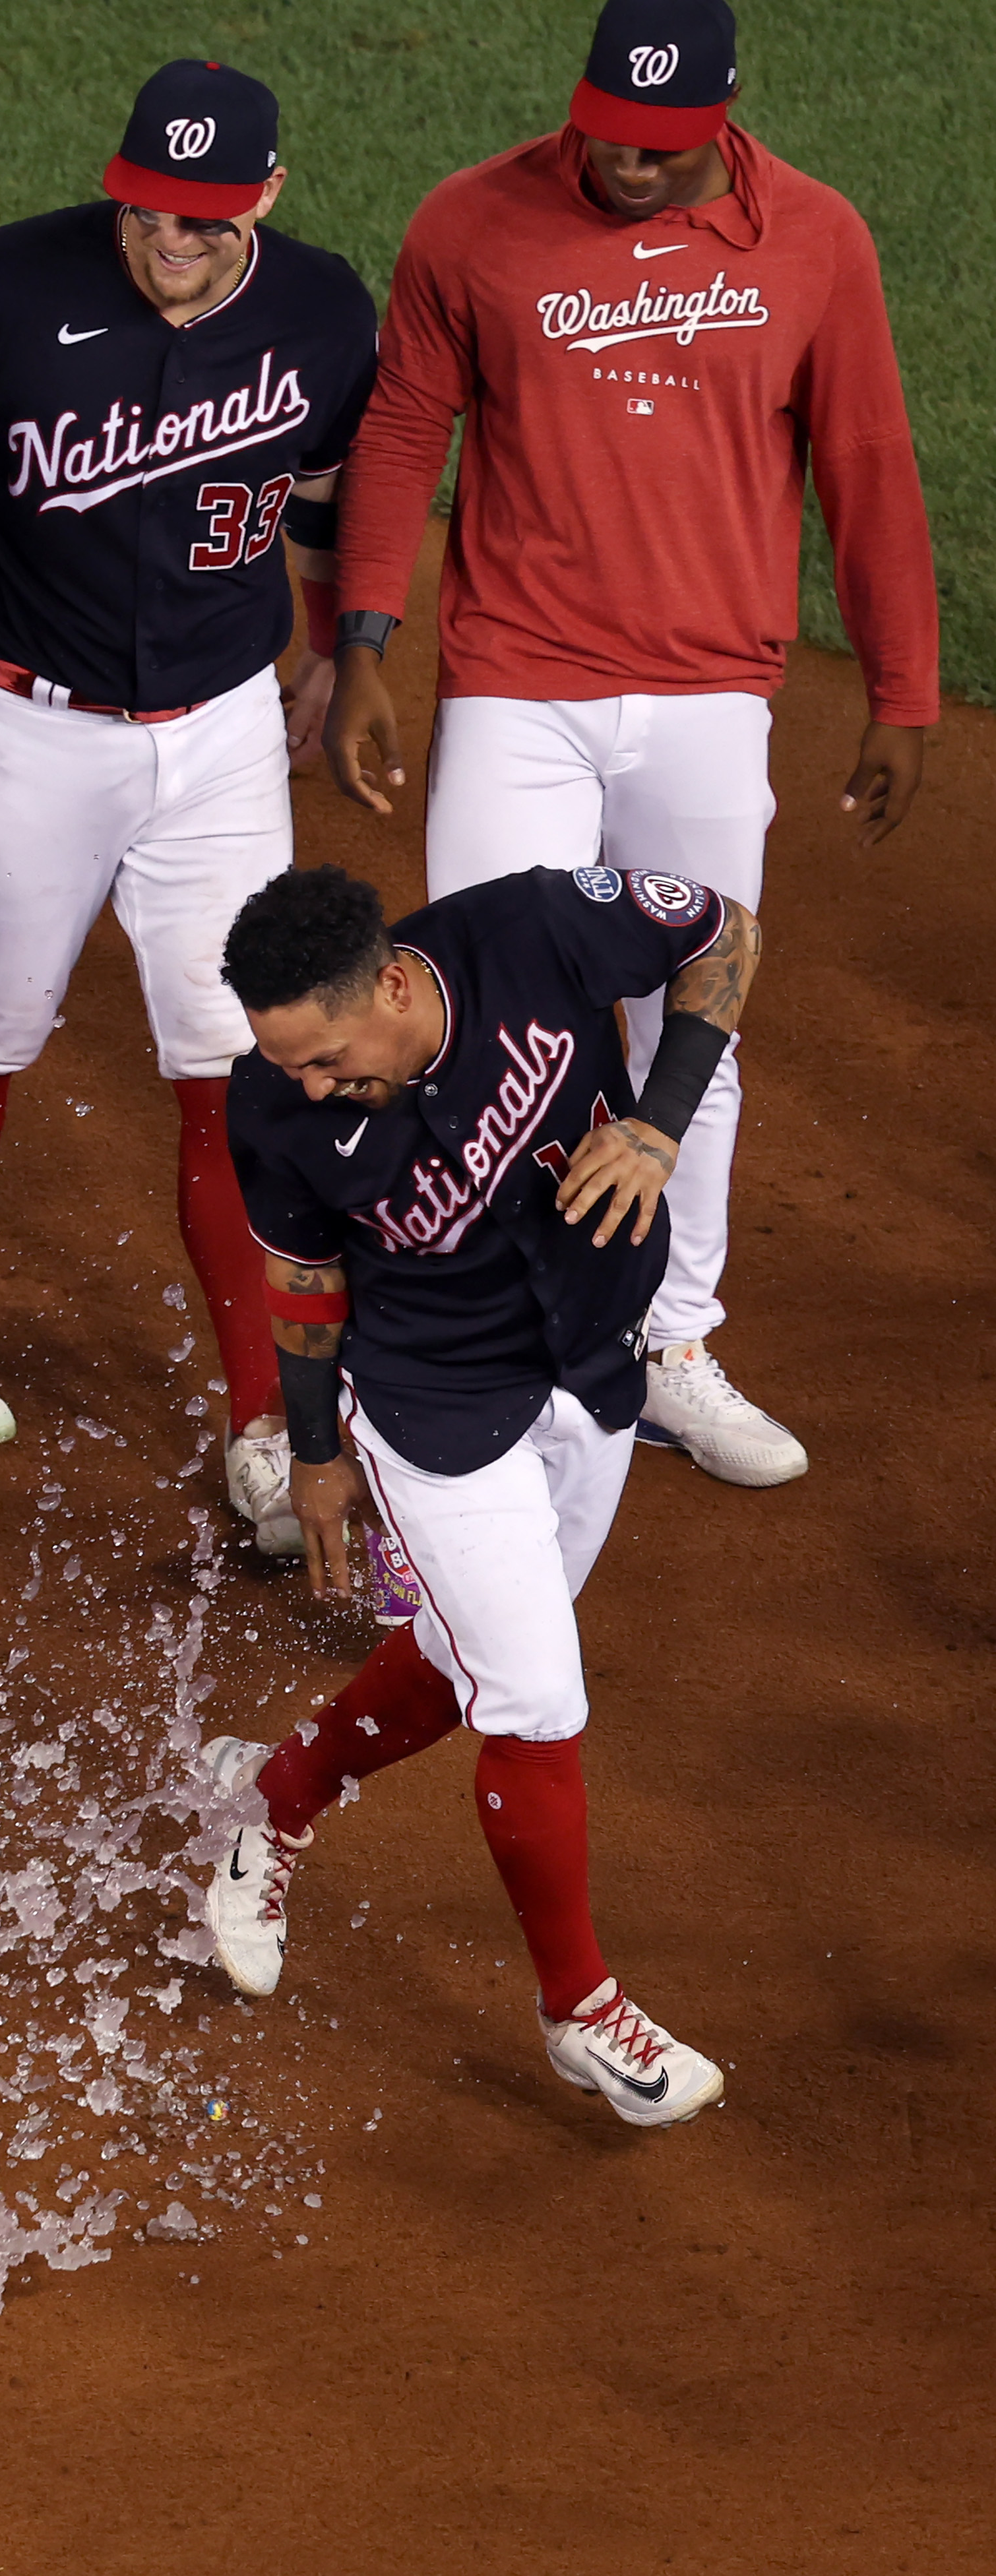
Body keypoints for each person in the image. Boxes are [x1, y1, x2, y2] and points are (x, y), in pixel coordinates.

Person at [323, 0, 935, 1490]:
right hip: (516, 689)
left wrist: (904, 690)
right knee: (468, 1021)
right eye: (609, 131)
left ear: (724, 118)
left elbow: (862, 457)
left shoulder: (819, 240)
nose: (631, 165)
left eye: (664, 147)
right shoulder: (474, 223)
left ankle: (668, 1343)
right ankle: (474, 1338)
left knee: (690, 1031)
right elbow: (405, 429)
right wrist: (362, 641)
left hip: (712, 698)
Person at [0, 60, 379, 1559]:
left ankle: (257, 1418)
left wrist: (331, 650)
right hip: (30, 719)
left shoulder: (320, 310)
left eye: (206, 216)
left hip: (225, 732)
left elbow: (322, 484)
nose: (172, 235)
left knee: (237, 1054)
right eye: (151, 207)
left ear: (267, 202)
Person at [202, 862, 755, 2127]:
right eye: (287, 1065)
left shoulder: (534, 929)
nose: (308, 1088)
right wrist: (317, 1454)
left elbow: (727, 934)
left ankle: (275, 1796)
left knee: (469, 1661)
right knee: (536, 1696)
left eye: (330, 1059)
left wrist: (660, 1120)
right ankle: (581, 2010)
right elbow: (303, 1284)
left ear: (393, 985)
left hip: (595, 1370)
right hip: (434, 1409)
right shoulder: (274, 1111)